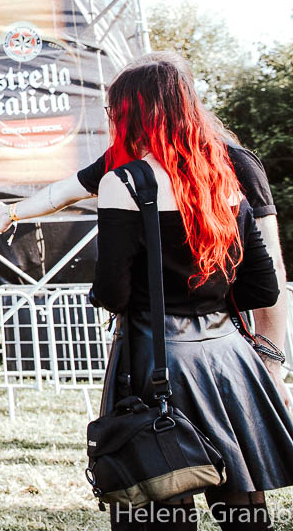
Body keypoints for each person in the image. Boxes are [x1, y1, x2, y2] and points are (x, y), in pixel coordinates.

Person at [0, 51, 290, 408]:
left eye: (115, 111)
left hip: (207, 341)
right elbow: (63, 191)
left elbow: (274, 269)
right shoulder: (125, 160)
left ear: (138, 112)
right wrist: (14, 212)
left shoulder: (235, 164)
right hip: (212, 348)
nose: (112, 120)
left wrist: (271, 361)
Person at [90, 55, 293, 530]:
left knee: (159, 507)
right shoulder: (224, 179)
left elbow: (114, 292)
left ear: (136, 113)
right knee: (242, 511)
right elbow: (263, 285)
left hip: (154, 356)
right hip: (227, 359)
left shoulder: (122, 183)